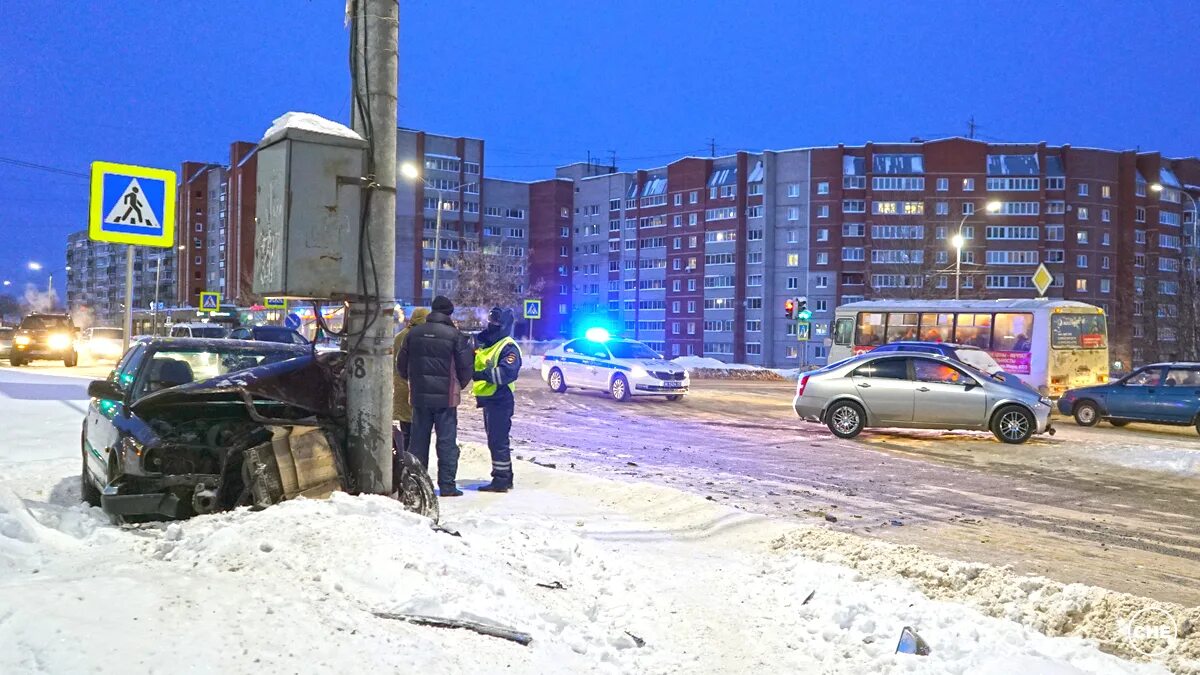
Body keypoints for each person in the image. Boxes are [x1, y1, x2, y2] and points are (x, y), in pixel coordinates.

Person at [396, 296, 473, 497]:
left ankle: (416, 487)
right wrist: (457, 385)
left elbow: (401, 365)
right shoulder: (455, 335)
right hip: (446, 399)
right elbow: (466, 368)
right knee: (446, 442)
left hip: (420, 398)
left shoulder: (413, 334)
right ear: (449, 313)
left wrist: (413, 381)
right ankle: (447, 486)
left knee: (418, 442)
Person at [472, 307, 522, 492]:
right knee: (495, 440)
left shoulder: (508, 347)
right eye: (490, 322)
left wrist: (481, 375)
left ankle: (501, 480)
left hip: (500, 399)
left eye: (495, 323)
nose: (491, 326)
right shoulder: (489, 344)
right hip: (491, 400)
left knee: (498, 441)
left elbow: (506, 373)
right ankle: (504, 477)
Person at [392, 306, 430, 469]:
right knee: (416, 434)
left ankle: (404, 465)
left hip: (401, 387)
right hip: (412, 388)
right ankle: (413, 467)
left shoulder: (399, 336)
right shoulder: (418, 336)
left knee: (406, 430)